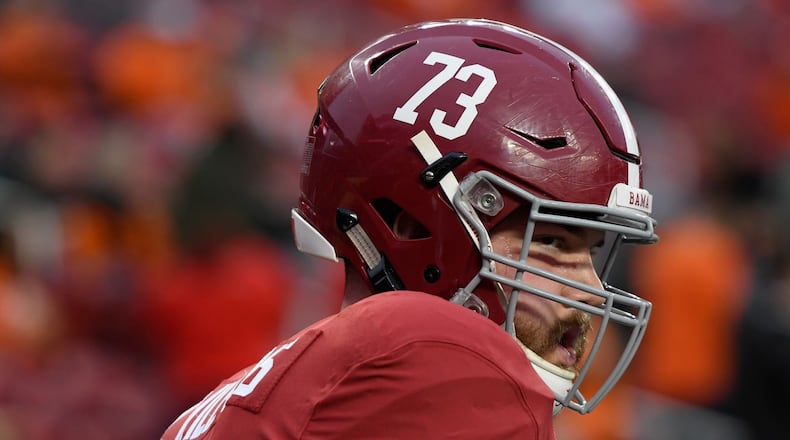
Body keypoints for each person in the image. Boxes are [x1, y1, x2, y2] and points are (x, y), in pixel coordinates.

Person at [161, 18, 658, 440]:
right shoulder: (426, 351)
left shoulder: (238, 402)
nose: (592, 291)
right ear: (411, 225)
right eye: (551, 242)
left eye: (591, 251)